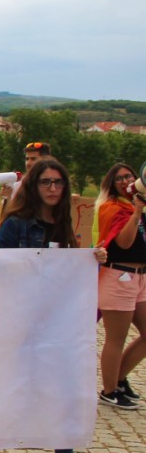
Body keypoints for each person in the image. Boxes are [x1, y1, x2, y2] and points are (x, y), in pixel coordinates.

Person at [0, 159, 106, 453]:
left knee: (66, 384)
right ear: (34, 187)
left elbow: (68, 274)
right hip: (17, 319)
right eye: (46, 183)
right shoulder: (17, 224)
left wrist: (92, 260)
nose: (53, 189)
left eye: (58, 182)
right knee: (1, 381)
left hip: (55, 322)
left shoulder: (67, 223)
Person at [94, 161, 146, 409]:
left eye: (129, 176)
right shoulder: (111, 208)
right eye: (119, 179)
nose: (126, 181)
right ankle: (109, 389)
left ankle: (120, 379)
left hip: (140, 277)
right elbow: (124, 244)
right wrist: (136, 213)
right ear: (111, 186)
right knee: (116, 338)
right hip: (118, 276)